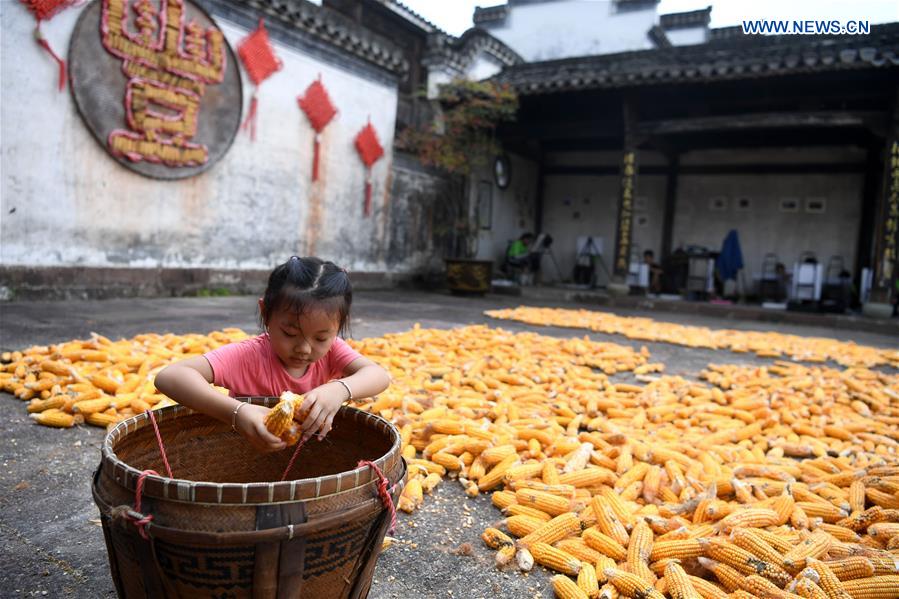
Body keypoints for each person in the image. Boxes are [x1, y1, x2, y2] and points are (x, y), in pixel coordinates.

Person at [155, 256, 390, 452]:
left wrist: (339, 389)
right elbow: (170, 377)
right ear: (266, 314)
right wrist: (238, 412)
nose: (304, 348)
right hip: (242, 455)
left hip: (303, 460)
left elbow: (378, 375)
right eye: (289, 333)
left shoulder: (333, 352)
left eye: (320, 338)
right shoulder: (248, 357)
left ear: (337, 329)